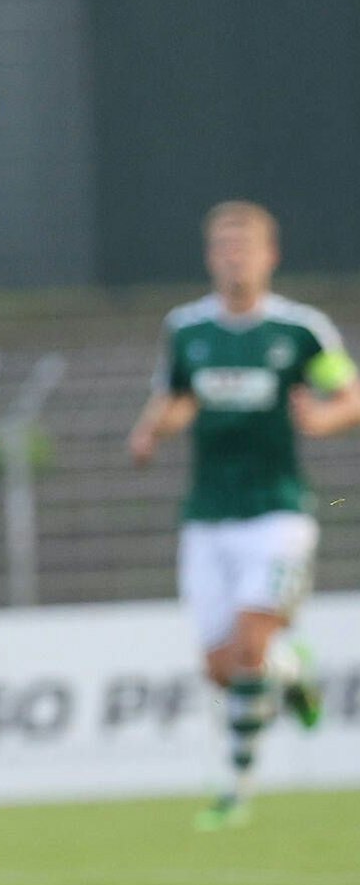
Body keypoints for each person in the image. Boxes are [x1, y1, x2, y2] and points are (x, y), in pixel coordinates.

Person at [127, 200, 359, 830]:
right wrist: (153, 431)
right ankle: (294, 670)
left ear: (269, 256)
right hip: (208, 514)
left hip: (277, 511)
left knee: (250, 642)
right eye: (224, 248)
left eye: (245, 247)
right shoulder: (187, 330)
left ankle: (234, 789)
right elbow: (176, 399)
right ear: (211, 258)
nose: (234, 258)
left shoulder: (299, 330)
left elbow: (349, 395)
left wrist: (323, 418)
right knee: (220, 666)